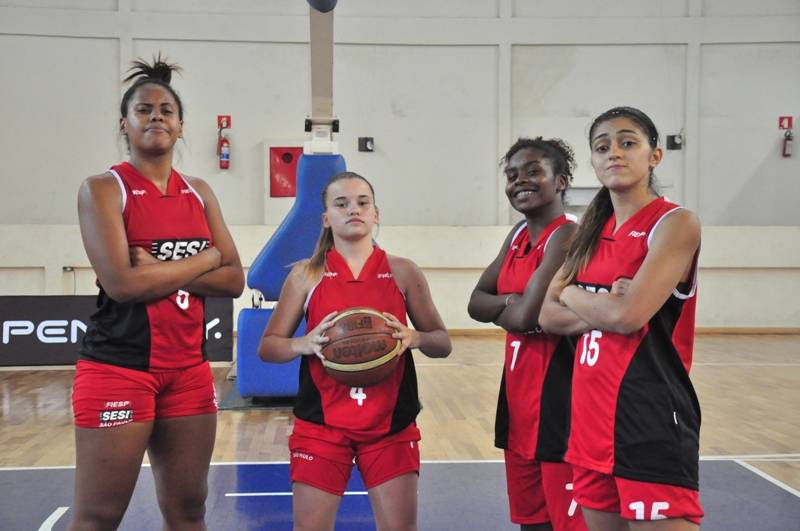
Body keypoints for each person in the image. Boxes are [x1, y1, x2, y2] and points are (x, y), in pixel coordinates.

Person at [70, 56, 244, 530]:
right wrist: (206, 259)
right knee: (98, 516)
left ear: (181, 126)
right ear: (123, 124)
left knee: (189, 512)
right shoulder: (104, 190)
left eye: (167, 110)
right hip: (119, 368)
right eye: (143, 110)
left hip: (188, 370)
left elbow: (234, 279)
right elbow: (123, 285)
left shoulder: (199, 191)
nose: (156, 117)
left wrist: (161, 268)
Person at [258, 171, 452, 531]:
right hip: (321, 424)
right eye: (341, 204)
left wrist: (415, 338)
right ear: (325, 218)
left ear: (376, 213)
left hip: (390, 423)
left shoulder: (403, 271)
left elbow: (442, 342)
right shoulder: (305, 275)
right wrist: (304, 343)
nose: (354, 210)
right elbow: (268, 347)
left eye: (363, 203)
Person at [539, 107, 703, 531]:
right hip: (589, 423)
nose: (613, 152)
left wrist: (572, 295)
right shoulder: (589, 233)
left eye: (628, 142)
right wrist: (596, 305)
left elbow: (627, 316)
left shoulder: (674, 223)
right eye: (602, 147)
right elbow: (548, 315)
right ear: (593, 162)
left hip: (649, 417)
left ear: (655, 156)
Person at [468, 138, 586, 531]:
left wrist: (508, 307)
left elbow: (526, 317)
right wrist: (511, 302)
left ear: (560, 181)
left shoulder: (567, 236)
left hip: (560, 402)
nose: (520, 180)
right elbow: (475, 303)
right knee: (531, 522)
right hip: (519, 400)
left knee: (567, 524)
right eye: (512, 174)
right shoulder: (518, 234)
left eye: (534, 171)